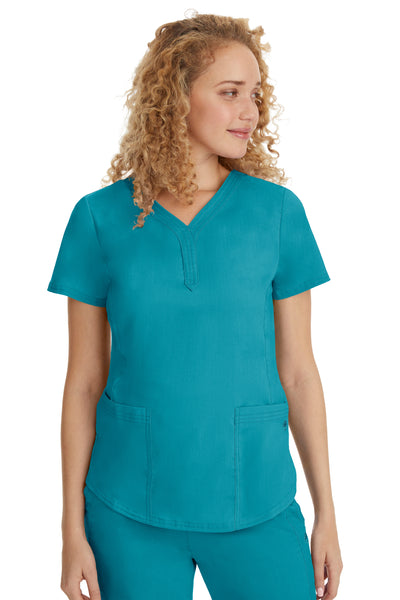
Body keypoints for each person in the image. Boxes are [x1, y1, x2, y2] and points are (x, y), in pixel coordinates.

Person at [47, 11, 343, 600]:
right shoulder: (98, 218)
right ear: (175, 98)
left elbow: (298, 373)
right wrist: (71, 528)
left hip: (257, 499)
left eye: (255, 94)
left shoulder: (277, 214)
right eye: (230, 93)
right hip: (128, 507)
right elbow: (83, 381)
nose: (249, 111)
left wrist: (327, 513)